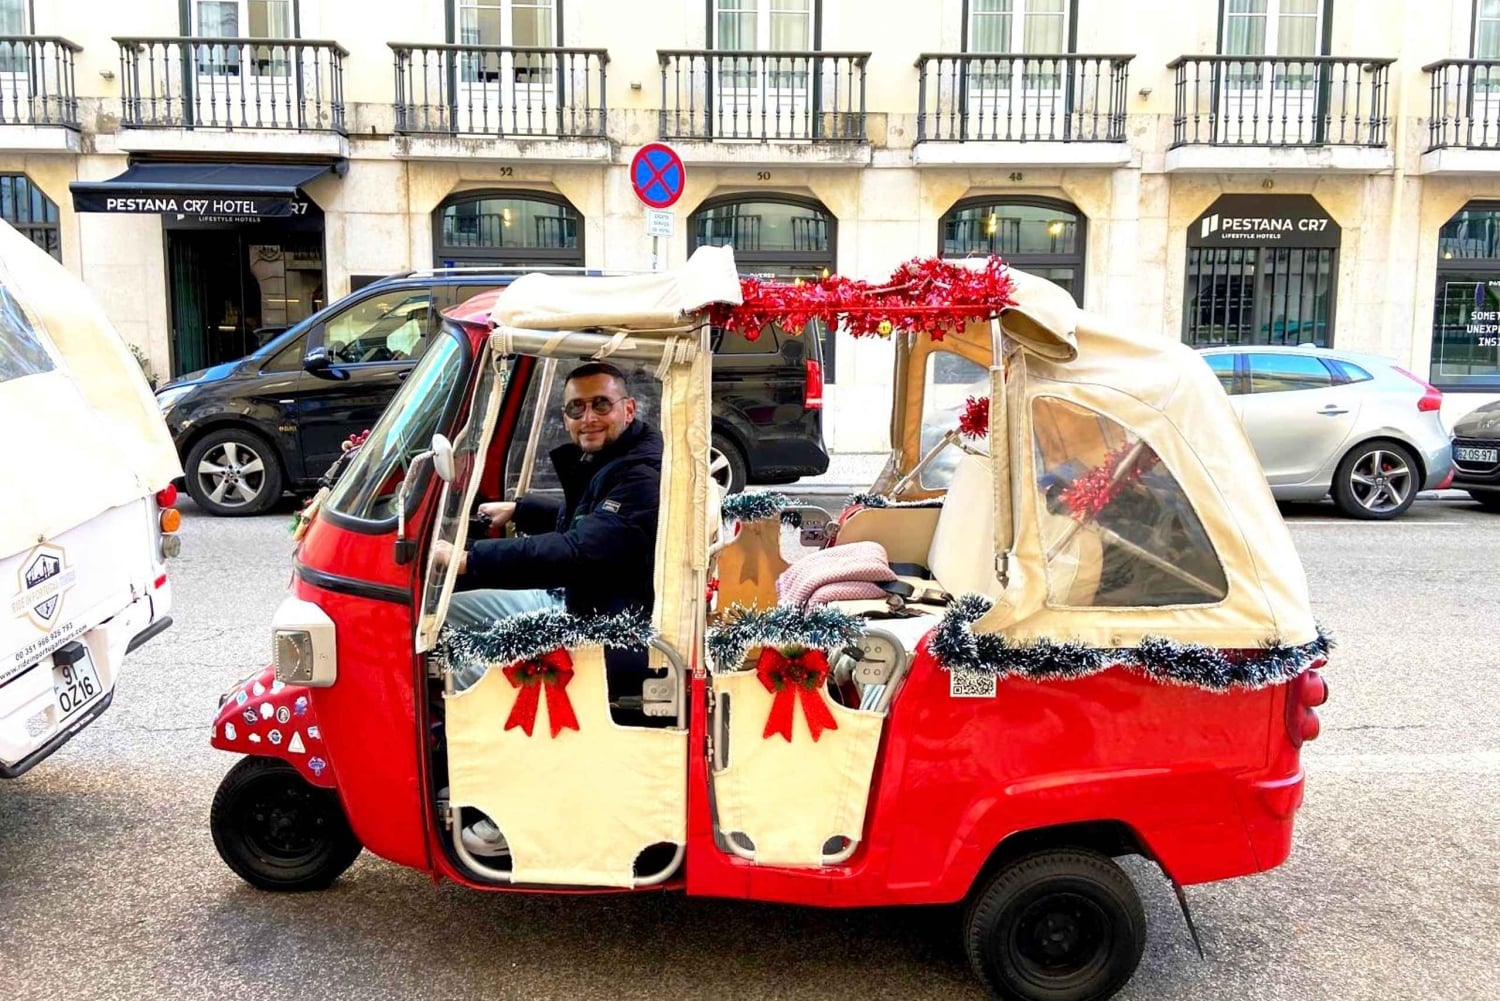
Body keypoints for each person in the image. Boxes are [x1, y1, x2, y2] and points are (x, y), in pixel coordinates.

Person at [436, 361, 663, 859]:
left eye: (600, 404)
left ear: (628, 408)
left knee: (478, 667)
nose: (588, 417)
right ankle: (468, 760)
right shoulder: (617, 457)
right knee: (448, 614)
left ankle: (509, 800)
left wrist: (472, 559)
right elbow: (584, 516)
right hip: (586, 598)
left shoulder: (640, 474)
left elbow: (580, 548)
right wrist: (522, 509)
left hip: (613, 625)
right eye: (576, 408)